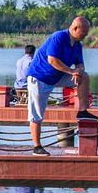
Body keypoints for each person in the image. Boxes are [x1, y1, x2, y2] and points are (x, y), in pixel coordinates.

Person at [24, 16, 93, 153]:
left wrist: (79, 71)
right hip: (39, 78)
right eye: (84, 32)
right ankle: (37, 147)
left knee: (84, 77)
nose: (85, 35)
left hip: (57, 77)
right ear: (75, 28)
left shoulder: (77, 45)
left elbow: (80, 64)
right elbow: (52, 60)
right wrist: (72, 71)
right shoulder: (58, 37)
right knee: (36, 113)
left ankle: (83, 111)